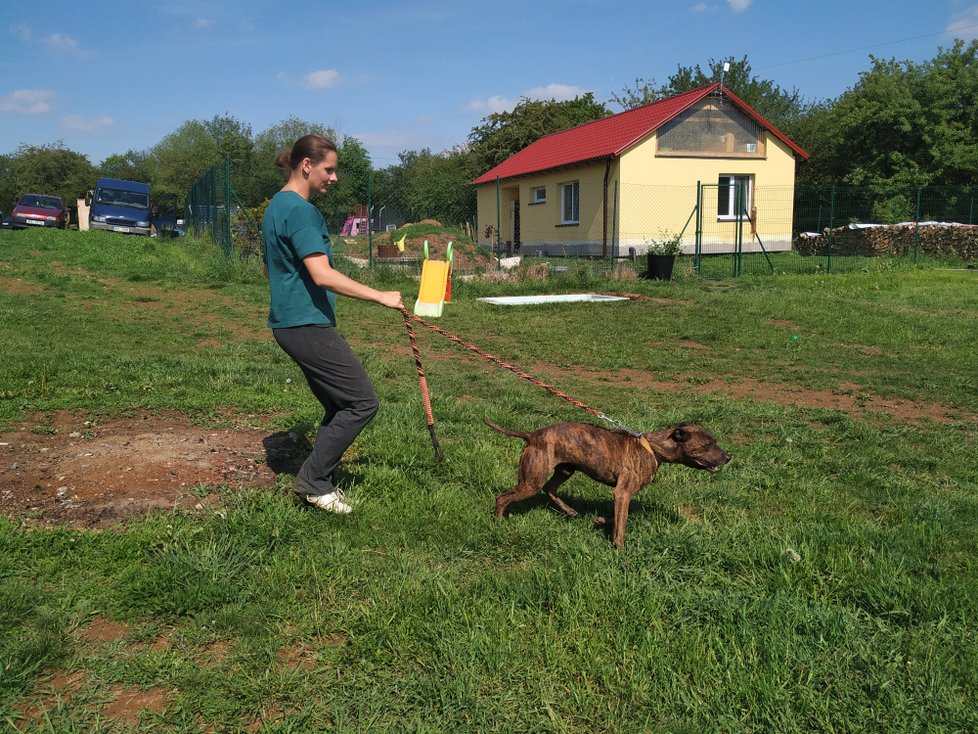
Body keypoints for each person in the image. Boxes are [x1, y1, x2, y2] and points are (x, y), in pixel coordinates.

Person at [262, 133, 404, 513]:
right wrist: (381, 296)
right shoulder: (302, 210)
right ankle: (312, 481)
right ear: (307, 165)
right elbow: (322, 275)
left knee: (339, 402)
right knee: (361, 402)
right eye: (330, 169)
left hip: (288, 322)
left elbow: (270, 268)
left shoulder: (276, 206)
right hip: (306, 324)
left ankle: (320, 476)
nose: (334, 177)